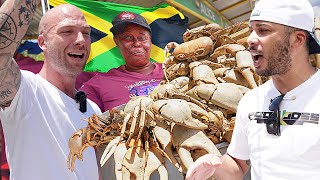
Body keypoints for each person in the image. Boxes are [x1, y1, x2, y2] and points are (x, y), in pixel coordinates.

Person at [185, 0, 320, 179]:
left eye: (263, 30)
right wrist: (214, 163)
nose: (249, 40)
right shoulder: (251, 100)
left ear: (298, 39)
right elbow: (238, 165)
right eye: (251, 30)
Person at [0, 0, 101, 179]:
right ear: (42, 42)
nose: (80, 40)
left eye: (86, 33)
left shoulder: (92, 108)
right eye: (67, 31)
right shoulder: (25, 91)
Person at [80, 11, 164, 113]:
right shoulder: (99, 83)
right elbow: (80, 118)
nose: (136, 43)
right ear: (117, 42)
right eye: (127, 37)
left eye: (142, 38)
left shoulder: (174, 70)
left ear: (150, 41)